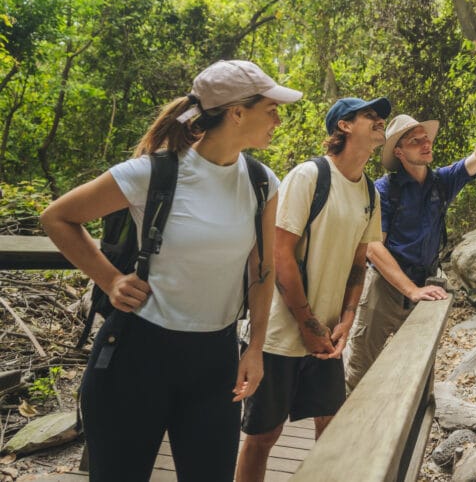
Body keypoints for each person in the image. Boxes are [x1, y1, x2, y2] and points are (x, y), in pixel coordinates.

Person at [41, 60, 301, 482]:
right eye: (271, 108)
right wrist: (110, 278)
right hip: (136, 356)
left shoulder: (262, 181)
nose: (278, 118)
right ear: (237, 112)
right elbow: (57, 218)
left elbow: (263, 269)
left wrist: (254, 348)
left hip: (215, 359)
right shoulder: (154, 172)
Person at [237, 95, 390, 482]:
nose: (379, 122)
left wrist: (348, 318)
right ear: (344, 126)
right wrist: (307, 323)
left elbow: (360, 261)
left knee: (331, 426)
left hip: (327, 335)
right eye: (369, 116)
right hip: (279, 333)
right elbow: (280, 253)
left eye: (380, 118)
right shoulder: (309, 176)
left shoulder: (370, 193)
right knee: (262, 435)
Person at [344, 84, 476, 392]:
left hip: (424, 284)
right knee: (362, 368)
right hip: (385, 288)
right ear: (399, 152)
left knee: (418, 369)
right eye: (414, 140)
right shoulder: (384, 189)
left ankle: (408, 432)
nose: (425, 142)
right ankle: (348, 433)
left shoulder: (441, 182)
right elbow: (374, 247)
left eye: (425, 137)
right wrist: (411, 289)